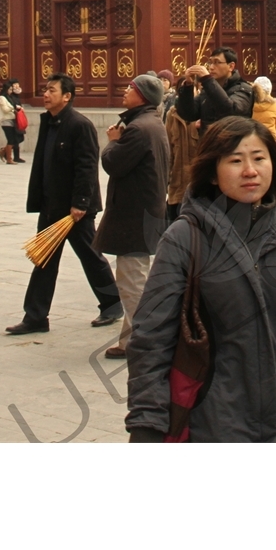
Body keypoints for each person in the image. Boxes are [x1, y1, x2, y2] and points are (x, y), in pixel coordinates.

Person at [125, 116, 276, 442]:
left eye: (259, 158)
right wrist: (147, 420)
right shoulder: (185, 237)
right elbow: (151, 337)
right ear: (212, 170)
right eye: (235, 161)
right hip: (211, 418)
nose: (250, 171)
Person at [6, 74, 122, 335]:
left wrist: (80, 202)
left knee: (90, 256)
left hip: (74, 210)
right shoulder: (49, 122)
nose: (46, 94)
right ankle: (36, 316)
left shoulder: (79, 125)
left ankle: (112, 303)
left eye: (52, 90)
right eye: (45, 89)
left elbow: (87, 166)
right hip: (51, 206)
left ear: (67, 96)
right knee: (43, 259)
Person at [95, 73, 170, 359]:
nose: (125, 91)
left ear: (143, 96)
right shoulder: (152, 123)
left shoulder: (139, 128)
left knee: (131, 281)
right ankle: (129, 341)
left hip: (133, 215)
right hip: (146, 211)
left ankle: (146, 340)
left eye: (131, 88)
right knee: (133, 276)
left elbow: (113, 163)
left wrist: (113, 141)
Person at [175, 46, 255, 125]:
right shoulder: (207, 90)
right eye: (210, 62)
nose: (211, 67)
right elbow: (188, 114)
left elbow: (232, 113)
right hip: (208, 137)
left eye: (217, 62)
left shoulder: (243, 88)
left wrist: (207, 80)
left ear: (231, 66)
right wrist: (188, 87)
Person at [161, 70, 199, 226]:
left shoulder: (205, 114)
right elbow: (168, 150)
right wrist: (165, 180)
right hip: (177, 186)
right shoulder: (172, 115)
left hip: (198, 187)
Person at [0, 80, 26, 165]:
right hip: (6, 121)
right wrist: (14, 108)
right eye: (9, 89)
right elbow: (5, 109)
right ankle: (9, 159)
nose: (10, 91)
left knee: (14, 139)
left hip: (13, 120)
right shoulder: (1, 98)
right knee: (11, 139)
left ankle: (3, 152)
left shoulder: (9, 97)